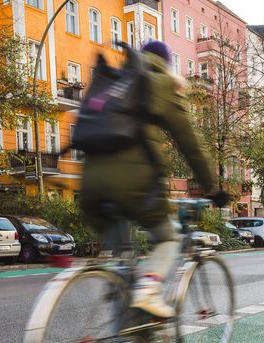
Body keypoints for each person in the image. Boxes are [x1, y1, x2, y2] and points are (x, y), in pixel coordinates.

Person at [81, 40, 223, 319]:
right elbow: (190, 144)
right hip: (133, 183)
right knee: (168, 239)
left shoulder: (113, 80)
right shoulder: (161, 83)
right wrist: (212, 187)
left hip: (91, 186)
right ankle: (149, 290)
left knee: (124, 265)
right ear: (166, 63)